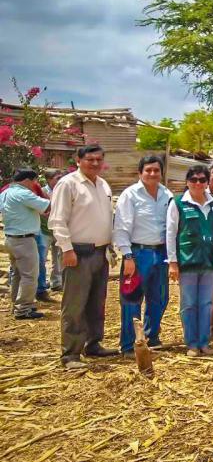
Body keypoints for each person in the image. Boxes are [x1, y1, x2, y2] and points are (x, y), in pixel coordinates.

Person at [48, 144, 116, 369]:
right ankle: (70, 354)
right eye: (90, 159)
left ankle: (93, 344)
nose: (95, 163)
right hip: (78, 253)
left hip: (100, 252)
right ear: (78, 160)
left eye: (99, 159)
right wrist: (67, 249)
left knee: (96, 303)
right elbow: (57, 220)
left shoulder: (103, 184)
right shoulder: (68, 184)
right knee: (75, 304)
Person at [167, 165, 213, 357]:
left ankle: (204, 342)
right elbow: (171, 233)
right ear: (187, 182)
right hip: (188, 260)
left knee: (206, 303)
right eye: (193, 179)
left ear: (207, 182)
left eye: (202, 180)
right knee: (189, 303)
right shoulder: (178, 203)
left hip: (210, 261)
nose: (198, 183)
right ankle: (192, 343)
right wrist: (172, 262)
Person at [113, 156, 173, 358]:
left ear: (161, 173)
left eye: (156, 170)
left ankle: (150, 337)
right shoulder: (130, 195)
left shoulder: (166, 194)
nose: (152, 174)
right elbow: (121, 227)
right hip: (137, 253)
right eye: (148, 170)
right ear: (140, 173)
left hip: (161, 252)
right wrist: (127, 256)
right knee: (132, 300)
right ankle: (129, 345)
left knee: (160, 298)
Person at [0, 168, 50, 319]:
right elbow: (47, 206)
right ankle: (23, 309)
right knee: (29, 276)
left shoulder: (6, 193)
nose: (35, 185)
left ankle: (16, 304)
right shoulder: (23, 194)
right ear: (28, 180)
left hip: (11, 238)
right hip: (24, 240)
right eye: (34, 181)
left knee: (17, 274)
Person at [38, 168, 63, 294]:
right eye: (57, 178)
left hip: (59, 230)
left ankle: (56, 282)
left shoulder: (63, 190)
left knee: (58, 258)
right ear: (48, 179)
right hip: (44, 230)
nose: (60, 180)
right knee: (41, 258)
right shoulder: (41, 192)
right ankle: (40, 286)